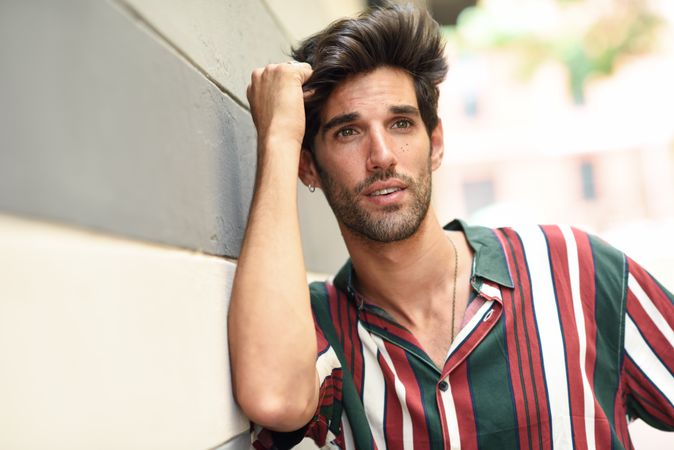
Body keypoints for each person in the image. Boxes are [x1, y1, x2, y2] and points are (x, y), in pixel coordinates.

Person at [229, 3, 674, 449]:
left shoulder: (574, 270)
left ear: (435, 143)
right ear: (309, 166)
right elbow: (274, 397)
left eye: (401, 123)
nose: (382, 154)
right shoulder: (317, 332)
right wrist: (280, 140)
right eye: (348, 132)